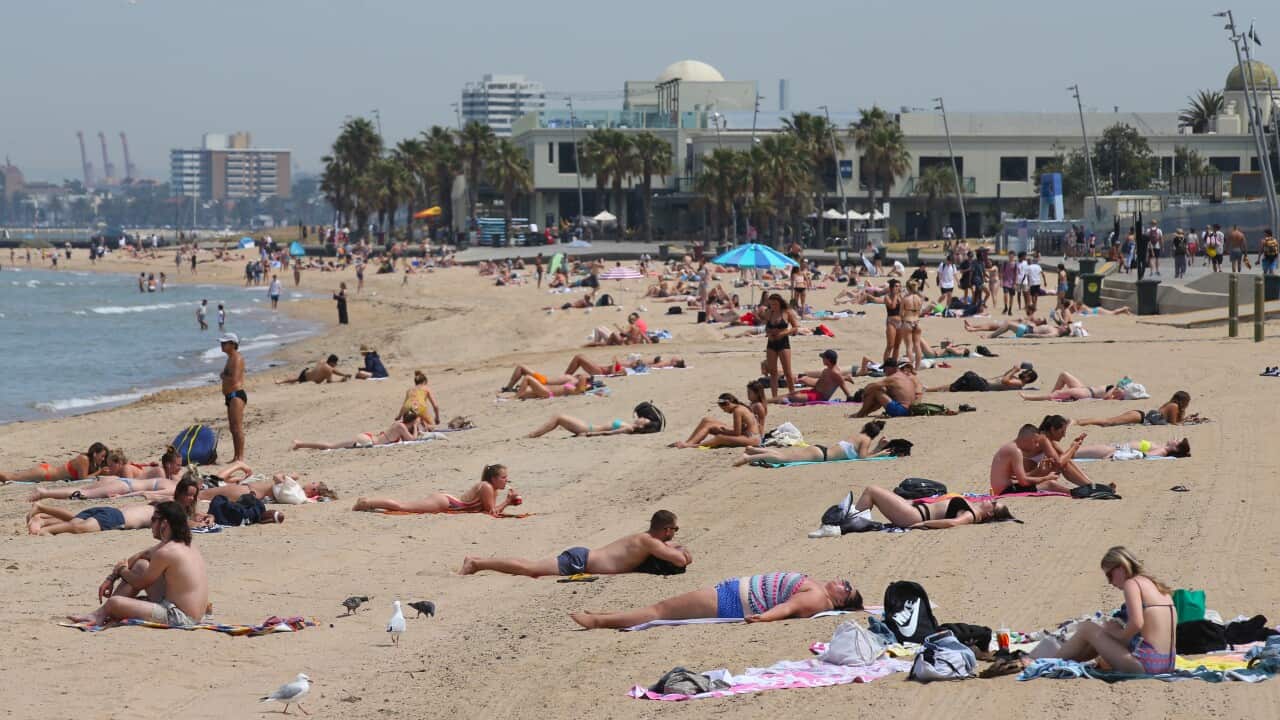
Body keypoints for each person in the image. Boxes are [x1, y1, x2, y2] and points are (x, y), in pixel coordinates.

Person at [989, 547, 1177, 676]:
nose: (1110, 582)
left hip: (1147, 666)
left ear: (1121, 567)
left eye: (1110, 575)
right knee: (1097, 635)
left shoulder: (1132, 583)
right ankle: (1057, 660)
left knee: (1088, 628)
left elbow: (1137, 623)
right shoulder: (1155, 587)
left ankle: (1043, 663)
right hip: (1167, 664)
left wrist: (1116, 634)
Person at [67, 501, 208, 628]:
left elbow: (139, 583)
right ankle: (102, 612)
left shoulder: (166, 552)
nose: (151, 525)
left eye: (153, 520)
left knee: (115, 602)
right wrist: (111, 578)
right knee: (141, 565)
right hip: (190, 612)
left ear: (164, 524)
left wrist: (122, 570)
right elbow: (142, 555)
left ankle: (102, 613)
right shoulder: (182, 545)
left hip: (181, 617)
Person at [569, 571, 863, 629]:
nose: (841, 581)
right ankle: (605, 615)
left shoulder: (816, 598)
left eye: (845, 587)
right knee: (661, 607)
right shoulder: (819, 592)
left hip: (730, 602)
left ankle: (597, 622)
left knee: (659, 611)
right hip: (731, 595)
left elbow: (788, 608)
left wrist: (764, 618)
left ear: (840, 602)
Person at [461, 510, 691, 577]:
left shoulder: (646, 539)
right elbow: (681, 559)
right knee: (528, 569)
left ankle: (480, 562)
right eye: (675, 530)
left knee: (529, 567)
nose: (675, 535)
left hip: (583, 559)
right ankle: (477, 563)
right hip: (579, 562)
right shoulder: (649, 542)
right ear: (666, 529)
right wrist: (680, 550)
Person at [27, 477, 213, 536]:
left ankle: (42, 515)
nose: (190, 498)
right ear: (179, 493)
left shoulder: (174, 509)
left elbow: (192, 517)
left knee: (75, 518)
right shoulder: (172, 508)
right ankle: (45, 529)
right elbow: (185, 523)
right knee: (79, 527)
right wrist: (201, 524)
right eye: (187, 494)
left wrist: (207, 517)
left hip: (112, 512)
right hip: (117, 518)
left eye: (193, 496)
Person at [352, 464, 520, 516]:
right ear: (494, 479)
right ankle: (367, 502)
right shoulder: (487, 488)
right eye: (504, 477)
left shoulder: (490, 488)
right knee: (403, 507)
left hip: (447, 502)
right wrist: (507, 502)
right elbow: (491, 513)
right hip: (445, 503)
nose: (507, 480)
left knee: (404, 506)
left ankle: (368, 502)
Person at [836, 485, 1018, 530]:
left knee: (871, 490)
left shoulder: (971, 514)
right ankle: (852, 520)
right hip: (914, 510)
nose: (990, 501)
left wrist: (924, 525)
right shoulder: (973, 508)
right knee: (876, 493)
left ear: (990, 513)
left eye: (993, 504)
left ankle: (850, 521)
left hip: (914, 516)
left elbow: (953, 523)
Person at [734, 420, 890, 466]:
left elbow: (861, 454)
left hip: (820, 450)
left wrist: (878, 448)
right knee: (785, 459)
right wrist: (880, 451)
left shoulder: (857, 435)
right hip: (821, 456)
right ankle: (748, 458)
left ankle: (753, 451)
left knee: (786, 455)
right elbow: (863, 457)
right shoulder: (866, 440)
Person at [988, 424, 1070, 495]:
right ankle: (1074, 493)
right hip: (1005, 491)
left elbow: (1019, 478)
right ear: (1026, 440)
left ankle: (1074, 492)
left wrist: (1039, 471)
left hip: (1002, 488)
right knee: (1049, 484)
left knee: (1045, 482)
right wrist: (1046, 478)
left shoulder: (1011, 447)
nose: (1037, 445)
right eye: (1035, 442)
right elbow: (1023, 481)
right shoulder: (1016, 451)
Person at [291, 410, 427, 450]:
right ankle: (300, 443)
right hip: (368, 440)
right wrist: (415, 426)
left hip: (368, 437)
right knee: (331, 446)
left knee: (331, 445)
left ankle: (301, 444)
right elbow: (412, 440)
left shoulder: (399, 423)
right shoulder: (401, 426)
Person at [672, 392, 762, 448]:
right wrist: (724, 430)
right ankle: (688, 443)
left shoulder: (737, 410)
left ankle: (692, 445)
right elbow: (742, 429)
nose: (725, 411)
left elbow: (737, 433)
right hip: (746, 434)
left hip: (752, 439)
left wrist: (725, 431)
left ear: (727, 404)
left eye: (724, 409)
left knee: (720, 437)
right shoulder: (740, 407)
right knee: (707, 420)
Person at [0, 442, 108, 484]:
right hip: (44, 473)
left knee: (11, 476)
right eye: (102, 456)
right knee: (9, 477)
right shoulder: (84, 459)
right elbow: (82, 478)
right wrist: (99, 472)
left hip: (47, 472)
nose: (103, 459)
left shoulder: (92, 463)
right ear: (94, 454)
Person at [1078, 391, 1193, 427]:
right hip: (1140, 417)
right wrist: (1185, 420)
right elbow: (1174, 423)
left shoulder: (1172, 405)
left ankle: (1082, 422)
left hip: (1140, 416)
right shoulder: (1174, 406)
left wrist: (1187, 418)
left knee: (1109, 421)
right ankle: (1080, 422)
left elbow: (1176, 421)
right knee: (1109, 422)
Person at [775, 349, 853, 404]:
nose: (822, 359)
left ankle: (767, 401)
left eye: (823, 358)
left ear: (828, 360)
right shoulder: (827, 370)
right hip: (814, 392)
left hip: (819, 396)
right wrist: (805, 380)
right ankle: (767, 400)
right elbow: (825, 382)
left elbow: (842, 384)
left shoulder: (835, 372)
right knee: (792, 394)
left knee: (792, 397)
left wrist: (849, 397)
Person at [851, 360, 923, 418]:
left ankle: (860, 414)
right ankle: (864, 413)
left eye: (884, 370)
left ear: (890, 368)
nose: (884, 372)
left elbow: (872, 386)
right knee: (881, 391)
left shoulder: (893, 378)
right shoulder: (904, 376)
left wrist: (864, 393)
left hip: (901, 410)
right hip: (911, 410)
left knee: (876, 391)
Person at [761, 293, 798, 400]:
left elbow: (795, 327)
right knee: (773, 372)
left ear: (780, 303)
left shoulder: (787, 313)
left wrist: (784, 333)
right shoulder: (769, 313)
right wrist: (769, 332)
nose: (773, 306)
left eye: (775, 304)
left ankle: (792, 394)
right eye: (771, 304)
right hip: (771, 342)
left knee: (787, 371)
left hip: (783, 342)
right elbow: (766, 327)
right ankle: (774, 396)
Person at [526, 409, 659, 438]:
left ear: (641, 426)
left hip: (587, 428)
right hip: (588, 426)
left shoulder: (629, 428)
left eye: (643, 420)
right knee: (559, 418)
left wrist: (588, 434)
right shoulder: (630, 425)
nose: (641, 418)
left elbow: (609, 433)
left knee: (558, 417)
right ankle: (535, 434)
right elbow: (636, 413)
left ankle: (533, 434)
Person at [218, 333, 247, 463]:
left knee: (237, 427)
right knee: (232, 428)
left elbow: (234, 379)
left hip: (236, 395)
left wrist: (223, 376)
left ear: (232, 344)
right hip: (230, 396)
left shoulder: (237, 358)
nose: (222, 345)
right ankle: (236, 456)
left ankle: (240, 457)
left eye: (224, 343)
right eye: (221, 343)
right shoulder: (230, 358)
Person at [1019, 371, 1127, 401]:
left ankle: (1029, 397)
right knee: (1063, 374)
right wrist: (1119, 385)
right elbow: (1127, 377)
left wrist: (1115, 389)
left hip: (1087, 393)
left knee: (1057, 394)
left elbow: (1106, 398)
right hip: (1085, 388)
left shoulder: (1113, 394)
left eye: (1121, 389)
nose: (1120, 388)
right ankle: (1050, 395)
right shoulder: (1116, 389)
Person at [1074, 437, 1191, 460]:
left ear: (1175, 449)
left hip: (1112, 450)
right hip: (1114, 448)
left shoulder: (1162, 450)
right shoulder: (1162, 448)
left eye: (1177, 441)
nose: (1174, 439)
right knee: (1074, 452)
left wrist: (1117, 453)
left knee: (1073, 453)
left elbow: (1146, 455)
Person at [277, 354, 351, 384]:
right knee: (297, 379)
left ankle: (281, 381)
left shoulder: (323, 362)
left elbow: (333, 370)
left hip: (306, 372)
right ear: (332, 362)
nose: (336, 364)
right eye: (336, 363)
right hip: (306, 379)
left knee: (296, 379)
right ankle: (281, 381)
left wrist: (343, 374)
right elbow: (329, 382)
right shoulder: (328, 370)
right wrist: (340, 380)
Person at [515, 373, 592, 400]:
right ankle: (517, 395)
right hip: (546, 391)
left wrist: (583, 378)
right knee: (527, 393)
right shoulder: (573, 386)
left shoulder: (576, 391)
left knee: (528, 378)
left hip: (547, 393)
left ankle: (515, 397)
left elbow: (581, 390)